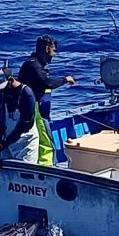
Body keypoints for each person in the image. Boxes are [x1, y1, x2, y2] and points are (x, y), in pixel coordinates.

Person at [18, 35, 75, 165]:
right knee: (46, 140)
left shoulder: (37, 65)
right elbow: (47, 83)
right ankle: (47, 167)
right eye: (53, 51)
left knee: (43, 138)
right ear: (47, 49)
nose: (54, 55)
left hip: (41, 110)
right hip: (36, 110)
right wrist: (65, 79)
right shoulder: (33, 66)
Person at [0, 76, 39, 162]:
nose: (3, 90)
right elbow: (0, 110)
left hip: (25, 140)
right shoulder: (2, 92)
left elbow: (26, 123)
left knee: (26, 169)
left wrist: (7, 142)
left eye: (5, 87)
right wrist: (0, 130)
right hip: (8, 138)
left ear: (11, 81)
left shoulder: (27, 93)